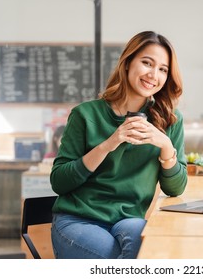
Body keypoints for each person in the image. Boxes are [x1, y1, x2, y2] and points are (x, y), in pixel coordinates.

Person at [49, 31, 188, 259]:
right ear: (127, 63)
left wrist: (165, 146)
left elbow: (176, 188)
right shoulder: (85, 115)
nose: (154, 74)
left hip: (128, 220)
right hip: (78, 220)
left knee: (150, 245)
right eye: (146, 63)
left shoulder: (170, 119)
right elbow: (59, 182)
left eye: (163, 69)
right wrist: (110, 143)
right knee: (114, 258)